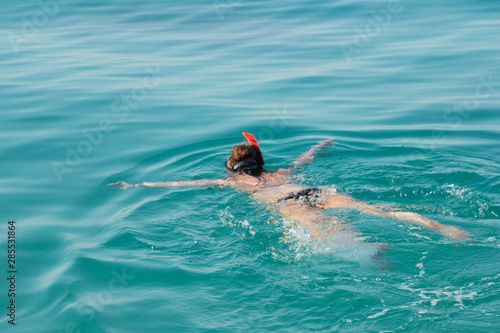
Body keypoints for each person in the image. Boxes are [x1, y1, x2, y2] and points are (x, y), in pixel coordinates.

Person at [109, 132, 470, 244]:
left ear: (233, 168)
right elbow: (305, 159)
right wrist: (321, 145)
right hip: (314, 190)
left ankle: (373, 254)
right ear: (261, 161)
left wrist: (137, 183)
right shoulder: (282, 170)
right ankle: (439, 226)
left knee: (336, 234)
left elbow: (181, 183)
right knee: (378, 210)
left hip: (285, 204)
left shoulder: (233, 182)